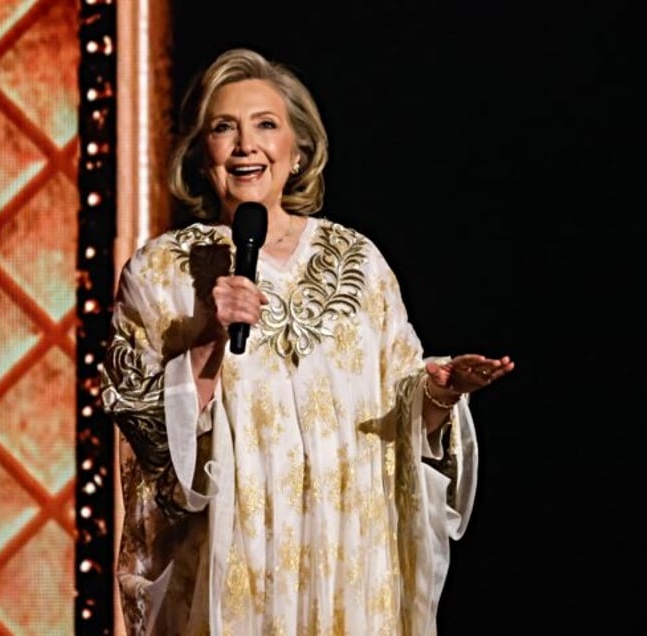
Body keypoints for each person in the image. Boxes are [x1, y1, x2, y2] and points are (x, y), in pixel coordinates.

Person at [100, 47, 515, 636]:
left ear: (298, 152)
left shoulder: (359, 263)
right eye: (224, 128)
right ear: (203, 155)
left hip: (350, 566)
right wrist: (208, 346)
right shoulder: (164, 271)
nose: (246, 145)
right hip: (238, 571)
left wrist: (440, 392)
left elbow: (395, 414)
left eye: (265, 125)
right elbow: (137, 422)